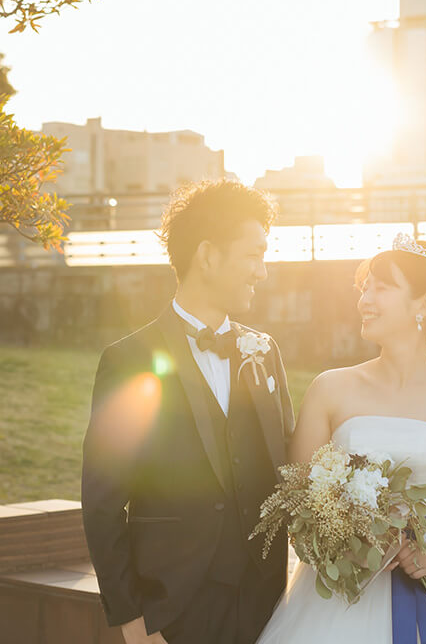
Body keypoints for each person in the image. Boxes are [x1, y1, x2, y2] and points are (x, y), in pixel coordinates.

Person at [255, 233, 426, 643]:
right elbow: (297, 496)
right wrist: (348, 544)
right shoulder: (330, 389)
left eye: (382, 288)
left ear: (425, 303)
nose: (366, 300)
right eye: (365, 288)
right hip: (340, 593)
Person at [81, 179, 296, 644]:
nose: (262, 272)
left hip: (266, 606)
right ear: (208, 255)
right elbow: (102, 502)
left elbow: (292, 471)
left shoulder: (265, 351)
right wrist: (133, 624)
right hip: (172, 611)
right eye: (253, 254)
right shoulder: (130, 359)